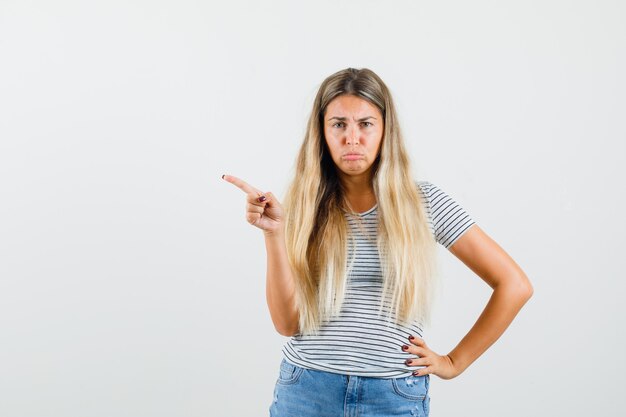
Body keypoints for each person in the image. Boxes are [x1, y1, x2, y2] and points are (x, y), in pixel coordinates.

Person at [222, 67, 533, 417]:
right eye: (339, 124)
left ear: (385, 130)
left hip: (393, 395)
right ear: (321, 132)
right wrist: (274, 233)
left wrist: (454, 362)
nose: (352, 138)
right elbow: (287, 324)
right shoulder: (301, 207)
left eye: (365, 124)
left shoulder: (423, 204)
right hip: (308, 390)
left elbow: (514, 284)